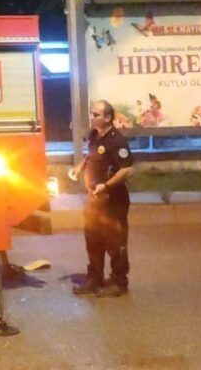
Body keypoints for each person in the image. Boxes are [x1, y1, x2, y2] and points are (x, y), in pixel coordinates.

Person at [68, 100, 134, 298]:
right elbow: (92, 155)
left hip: (112, 199)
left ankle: (119, 281)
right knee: (93, 239)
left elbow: (126, 169)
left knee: (114, 241)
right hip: (94, 198)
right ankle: (95, 278)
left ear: (107, 117)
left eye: (96, 114)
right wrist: (80, 167)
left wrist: (106, 185)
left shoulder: (117, 141)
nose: (92, 117)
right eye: (91, 113)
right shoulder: (95, 136)